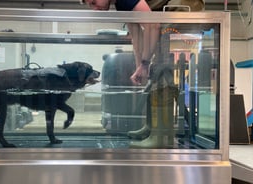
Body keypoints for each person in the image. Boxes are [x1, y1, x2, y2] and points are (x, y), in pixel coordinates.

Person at [83, 0, 204, 147]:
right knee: (156, 68)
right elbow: (136, 34)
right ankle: (152, 126)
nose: (95, 8)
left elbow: (153, 25)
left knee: (162, 67)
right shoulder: (122, 4)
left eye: (94, 2)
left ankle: (160, 136)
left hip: (182, 6)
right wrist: (140, 65)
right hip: (167, 11)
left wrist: (145, 64)